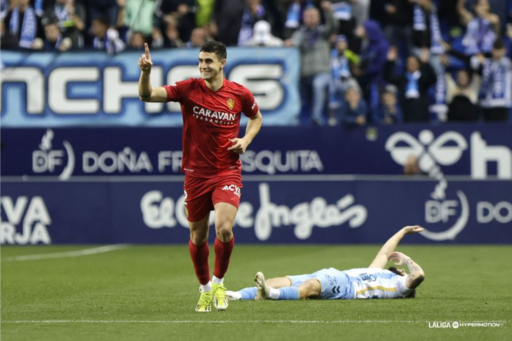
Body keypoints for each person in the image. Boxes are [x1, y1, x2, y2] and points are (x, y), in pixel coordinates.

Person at [138, 41, 263, 312]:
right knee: (197, 238)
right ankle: (205, 288)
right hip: (195, 175)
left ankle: (218, 282)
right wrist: (146, 72)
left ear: (222, 63)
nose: (203, 66)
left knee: (225, 229)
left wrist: (246, 139)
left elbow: (256, 118)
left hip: (227, 171)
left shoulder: (239, 94)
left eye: (209, 61)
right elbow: (147, 96)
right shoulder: (188, 89)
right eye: (201, 61)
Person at [226, 225, 425, 301]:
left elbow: (419, 276)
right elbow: (384, 253)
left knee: (307, 288)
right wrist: (403, 231)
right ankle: (236, 295)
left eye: (402, 269)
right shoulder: (380, 275)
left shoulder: (399, 286)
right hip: (336, 275)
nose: (400, 268)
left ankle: (271, 295)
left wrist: (407, 260)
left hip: (346, 286)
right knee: (274, 280)